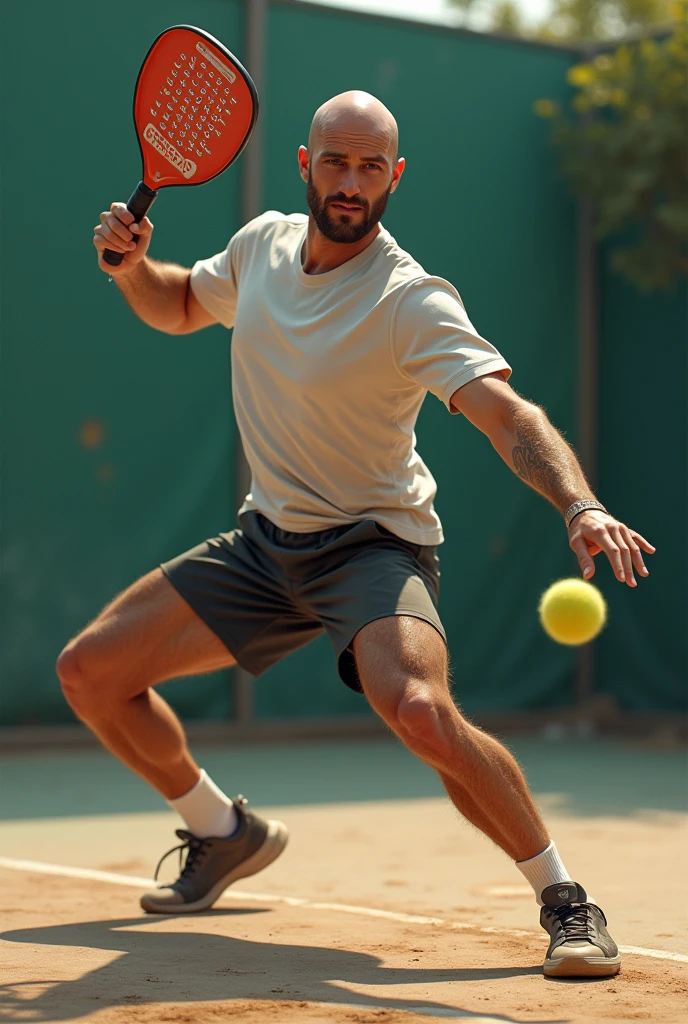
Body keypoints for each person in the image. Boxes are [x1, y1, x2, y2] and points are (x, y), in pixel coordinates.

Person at [60, 91, 654, 979]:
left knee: (419, 710)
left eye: (370, 166)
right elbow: (181, 303)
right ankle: (224, 833)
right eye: (335, 161)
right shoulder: (261, 245)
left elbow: (507, 414)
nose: (350, 181)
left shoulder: (409, 299)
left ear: (394, 175)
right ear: (305, 164)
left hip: (374, 548)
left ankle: (567, 901)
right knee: (91, 673)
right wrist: (129, 267)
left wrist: (581, 505)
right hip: (267, 544)